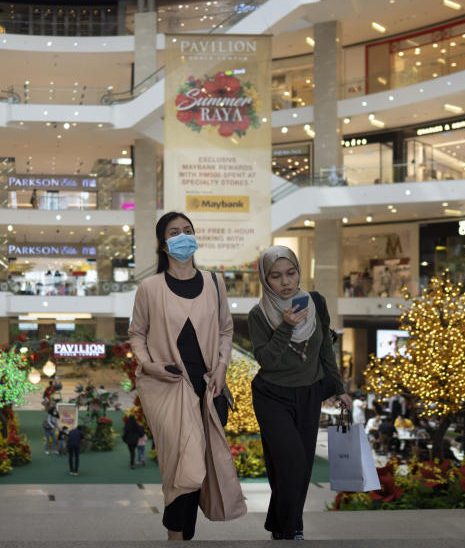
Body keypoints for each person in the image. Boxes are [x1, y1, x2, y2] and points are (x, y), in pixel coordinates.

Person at [128, 211, 246, 540]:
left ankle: (181, 536)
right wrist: (149, 364)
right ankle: (176, 536)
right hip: (167, 388)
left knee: (199, 466)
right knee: (184, 463)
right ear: (164, 244)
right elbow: (136, 334)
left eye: (188, 230)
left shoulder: (214, 283)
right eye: (175, 231)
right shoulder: (149, 288)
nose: (183, 236)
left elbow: (225, 330)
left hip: (210, 388)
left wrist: (221, 368)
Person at [249, 245, 351, 541]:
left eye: (291, 273)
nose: (285, 282)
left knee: (301, 465)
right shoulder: (259, 314)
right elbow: (267, 360)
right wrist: (285, 327)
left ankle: (287, 527)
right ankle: (289, 527)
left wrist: (339, 388)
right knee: (290, 460)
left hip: (308, 394)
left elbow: (324, 349)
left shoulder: (316, 302)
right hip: (272, 396)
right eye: (276, 276)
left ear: (299, 272)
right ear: (266, 280)